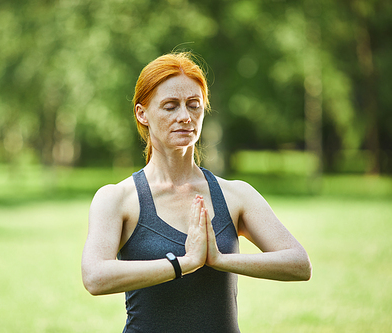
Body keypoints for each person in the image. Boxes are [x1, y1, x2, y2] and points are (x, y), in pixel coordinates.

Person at [81, 52, 312, 332]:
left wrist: (221, 260)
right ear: (142, 114)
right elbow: (95, 277)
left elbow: (299, 264)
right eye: (170, 106)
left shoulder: (235, 195)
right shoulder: (116, 199)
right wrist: (184, 264)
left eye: (194, 105)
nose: (185, 117)